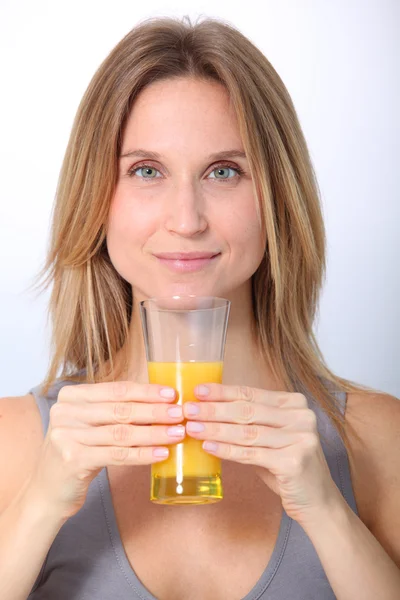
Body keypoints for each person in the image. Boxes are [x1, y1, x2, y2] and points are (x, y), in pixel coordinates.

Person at [0, 14, 399, 600]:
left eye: (223, 171)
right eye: (145, 170)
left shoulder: (377, 439)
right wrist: (38, 506)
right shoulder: (15, 442)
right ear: (96, 201)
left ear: (276, 200)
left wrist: (329, 514)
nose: (186, 220)